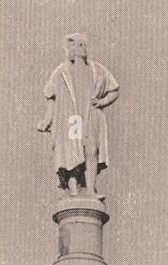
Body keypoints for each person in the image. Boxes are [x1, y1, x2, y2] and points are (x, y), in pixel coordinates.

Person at [37, 34, 119, 198]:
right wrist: (47, 120)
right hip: (71, 119)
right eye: (77, 45)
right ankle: (73, 190)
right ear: (70, 50)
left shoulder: (97, 70)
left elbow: (114, 90)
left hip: (90, 115)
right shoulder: (61, 72)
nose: (81, 48)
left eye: (83, 45)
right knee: (72, 151)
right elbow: (51, 97)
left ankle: (90, 189)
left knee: (91, 150)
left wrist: (102, 102)